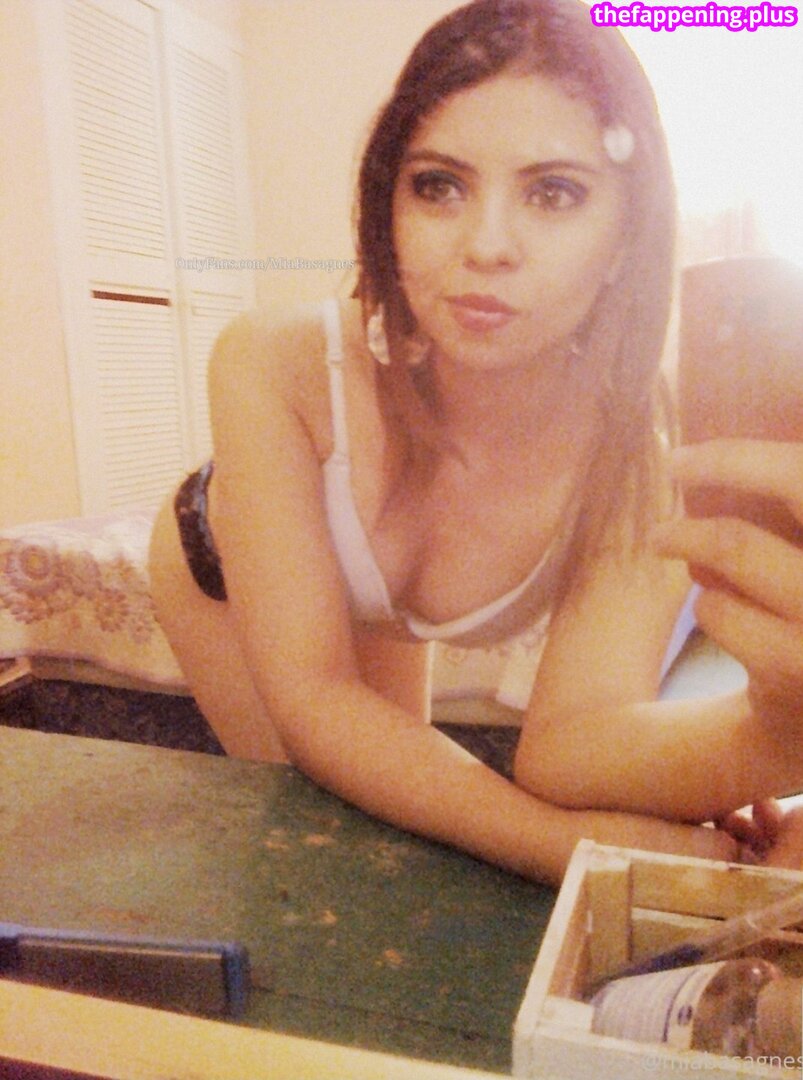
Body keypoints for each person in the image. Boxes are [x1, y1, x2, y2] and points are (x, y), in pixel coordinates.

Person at [149, 0, 802, 884]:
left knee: (402, 813)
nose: (487, 245)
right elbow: (313, 699)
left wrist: (765, 736)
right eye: (438, 185)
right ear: (387, 204)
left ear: (625, 239)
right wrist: (567, 848)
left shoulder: (637, 454)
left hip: (389, 616)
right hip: (218, 574)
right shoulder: (270, 362)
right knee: (327, 850)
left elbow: (572, 746)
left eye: (554, 193)